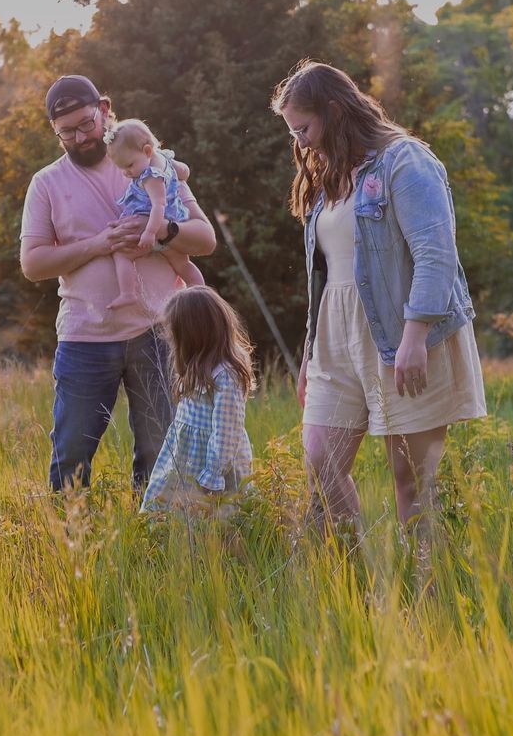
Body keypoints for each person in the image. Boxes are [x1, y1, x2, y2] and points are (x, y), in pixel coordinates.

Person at [272, 60, 486, 537]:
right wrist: (310, 351)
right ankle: (364, 578)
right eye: (293, 132)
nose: (300, 142)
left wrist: (416, 335)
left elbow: (436, 252)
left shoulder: (405, 160)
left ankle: (427, 595)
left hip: (400, 329)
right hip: (335, 334)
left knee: (412, 481)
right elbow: (325, 275)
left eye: (303, 128)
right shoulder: (330, 176)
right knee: (322, 462)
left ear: (333, 109)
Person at [21, 74, 217, 492]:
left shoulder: (148, 159)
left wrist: (163, 233)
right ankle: (69, 546)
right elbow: (33, 263)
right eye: (65, 132)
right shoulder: (46, 183)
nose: (78, 138)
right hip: (84, 338)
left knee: (161, 450)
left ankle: (157, 547)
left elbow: (206, 238)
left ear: (105, 109)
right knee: (72, 452)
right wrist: (100, 243)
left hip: (159, 332)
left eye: (86, 124)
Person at [141, 285, 255, 516]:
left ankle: (217, 548)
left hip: (211, 463)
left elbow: (226, 432)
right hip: (186, 453)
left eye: (174, 334)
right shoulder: (198, 366)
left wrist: (213, 475)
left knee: (216, 516)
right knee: (171, 510)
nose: (170, 340)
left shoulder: (226, 374)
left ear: (193, 335)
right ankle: (165, 542)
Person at [105, 118, 204, 307]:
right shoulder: (165, 159)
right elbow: (184, 171)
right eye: (121, 168)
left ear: (147, 151)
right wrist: (178, 172)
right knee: (182, 264)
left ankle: (128, 293)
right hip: (175, 223)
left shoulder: (150, 177)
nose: (126, 173)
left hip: (151, 225)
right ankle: (200, 289)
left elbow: (158, 205)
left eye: (129, 166)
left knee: (122, 255)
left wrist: (149, 233)